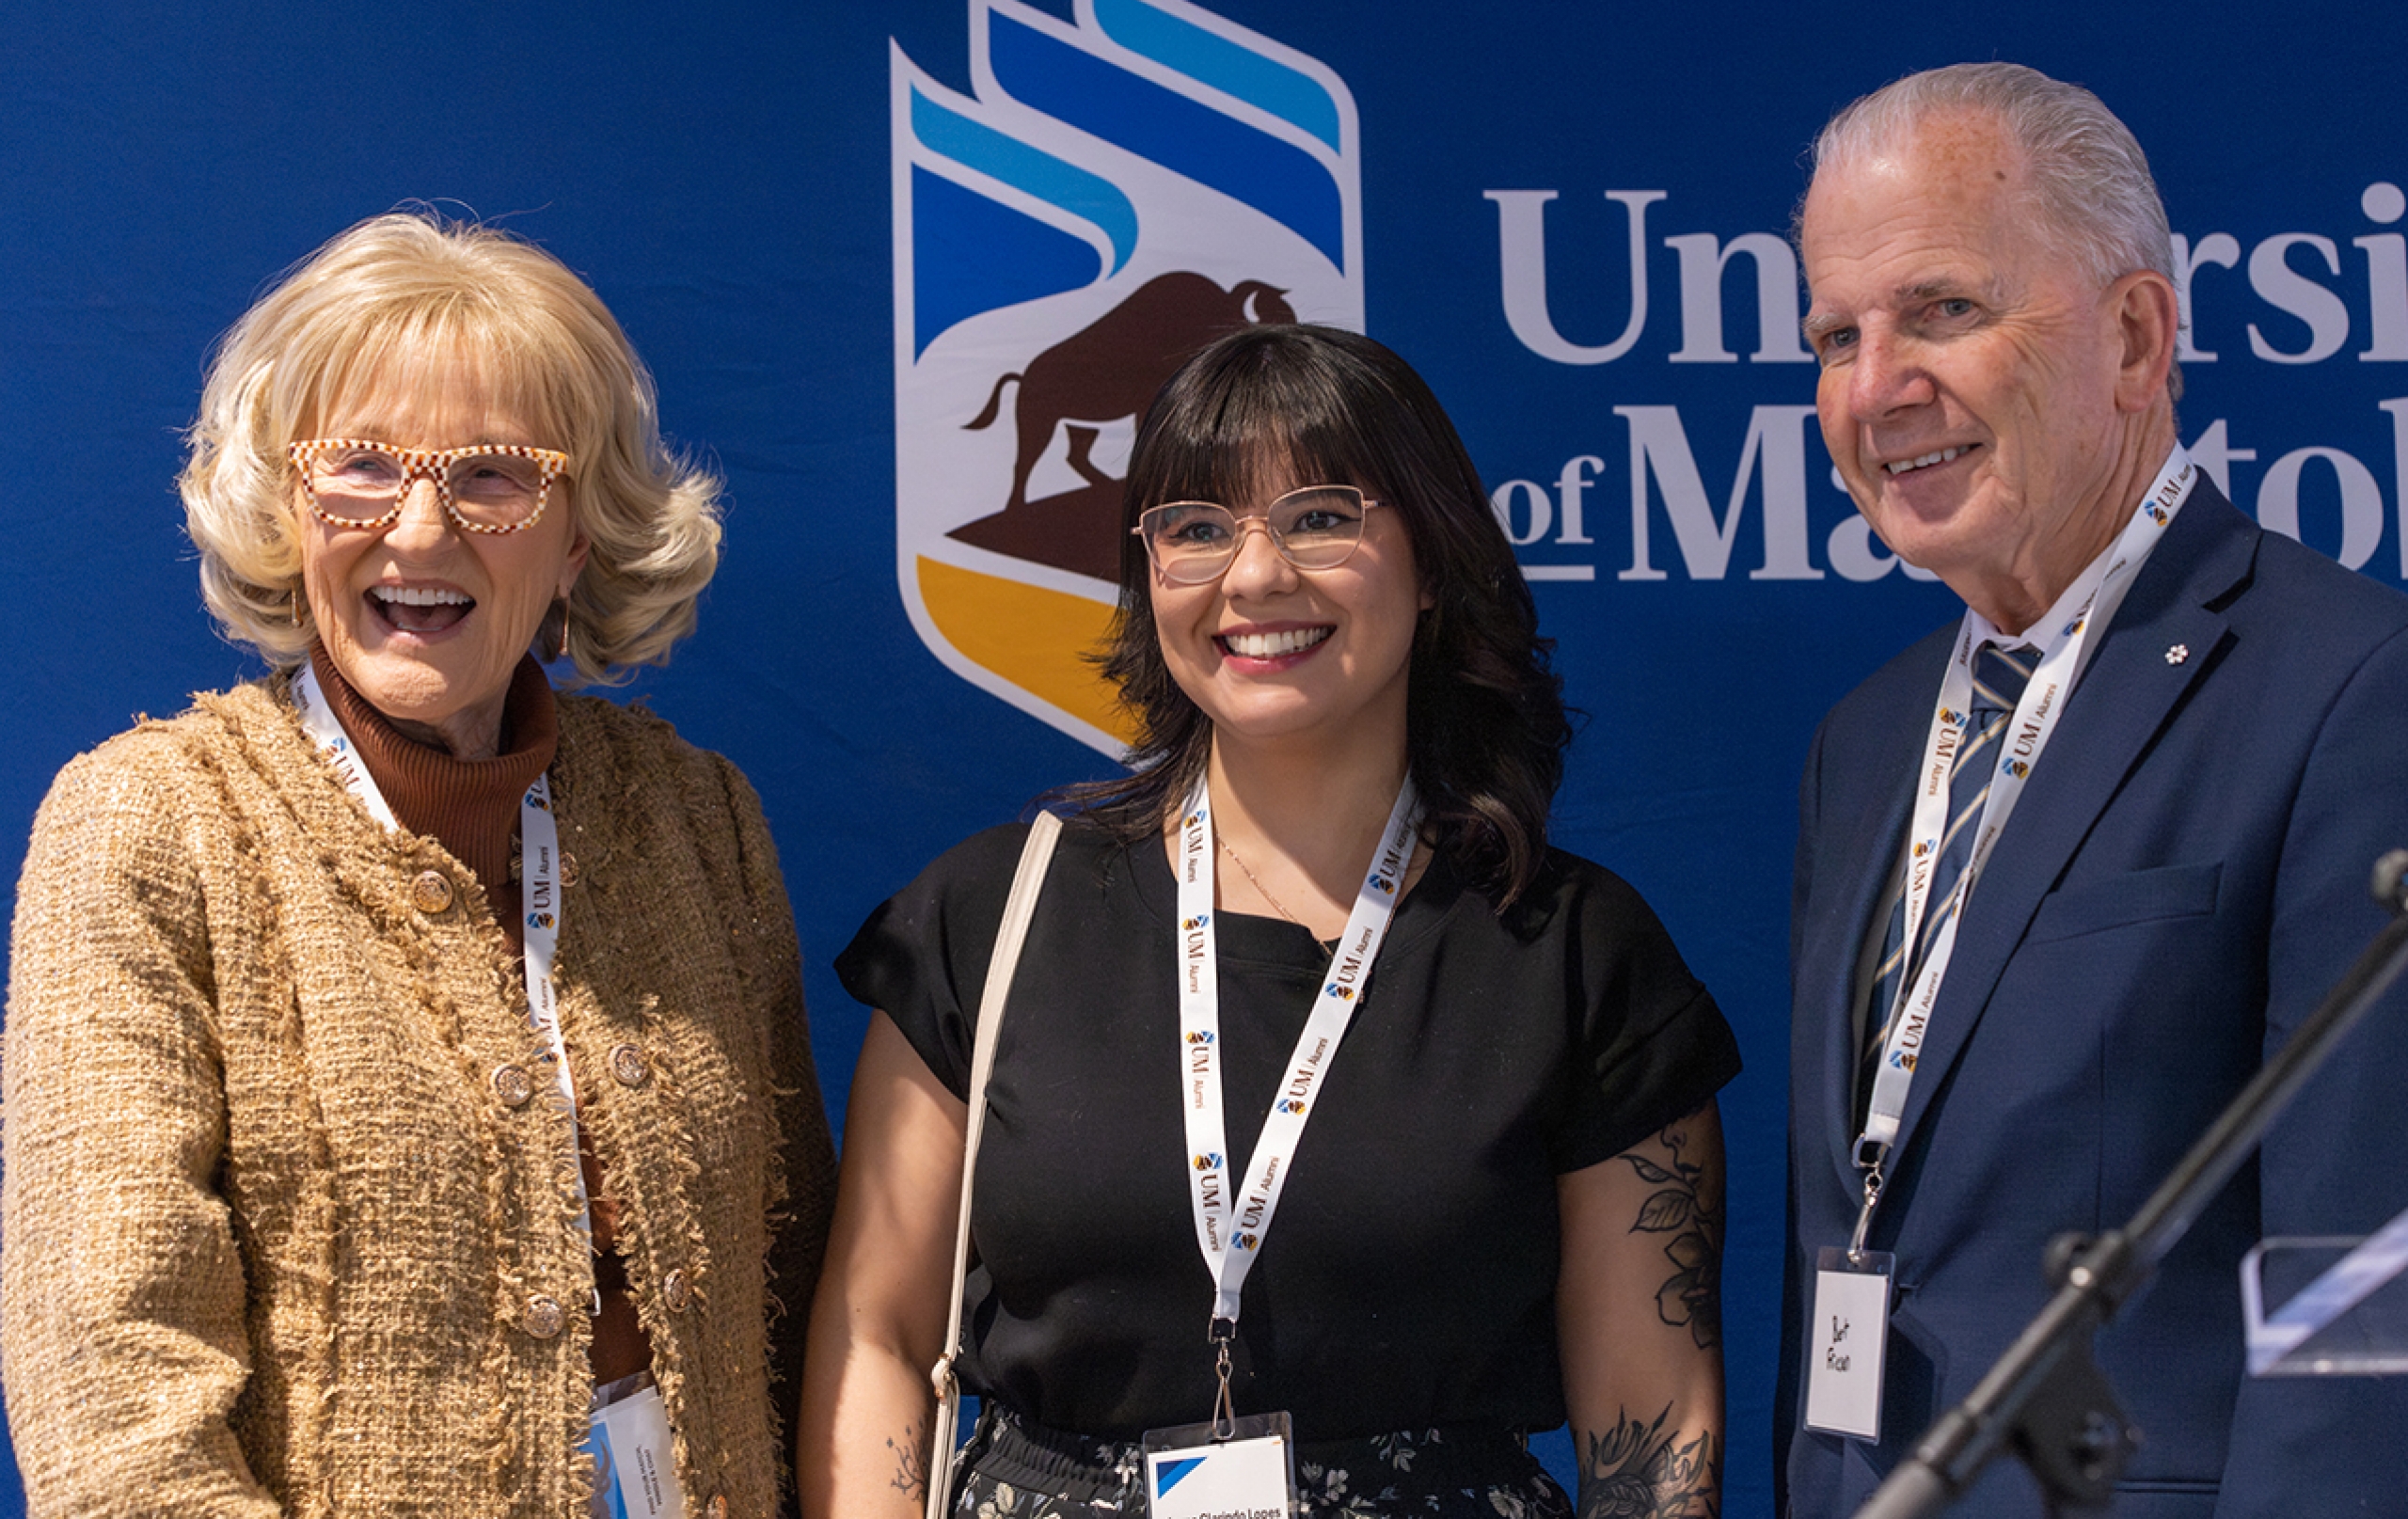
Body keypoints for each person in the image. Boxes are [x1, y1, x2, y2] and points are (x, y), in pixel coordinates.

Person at [798, 324, 1741, 1519]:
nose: (1253, 577)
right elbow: (878, 1337)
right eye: (1196, 528)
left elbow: (1650, 1422)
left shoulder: (1573, 951)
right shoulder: (990, 916)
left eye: (1320, 517)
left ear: (1434, 560)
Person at [2, 213, 836, 1519]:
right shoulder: (152, 824)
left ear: (578, 535)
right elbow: (117, 1416)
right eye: (360, 468)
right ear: (287, 509)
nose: (419, 529)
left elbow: (800, 1298)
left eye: (495, 476)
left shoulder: (698, 820)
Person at [1780, 63, 2408, 1516]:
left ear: (2136, 336)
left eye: (1943, 308)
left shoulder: (2355, 689)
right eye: (1835, 334)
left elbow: (2365, 1292)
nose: (1875, 388)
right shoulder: (1864, 743)